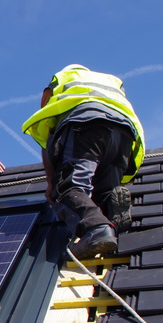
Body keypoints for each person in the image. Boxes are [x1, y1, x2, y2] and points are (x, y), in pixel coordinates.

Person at [22, 64, 145, 259]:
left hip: (85, 124)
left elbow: (47, 127)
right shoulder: (110, 80)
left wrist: (52, 181)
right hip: (124, 132)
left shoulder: (63, 78)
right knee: (102, 188)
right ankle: (109, 206)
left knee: (68, 188)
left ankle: (96, 229)